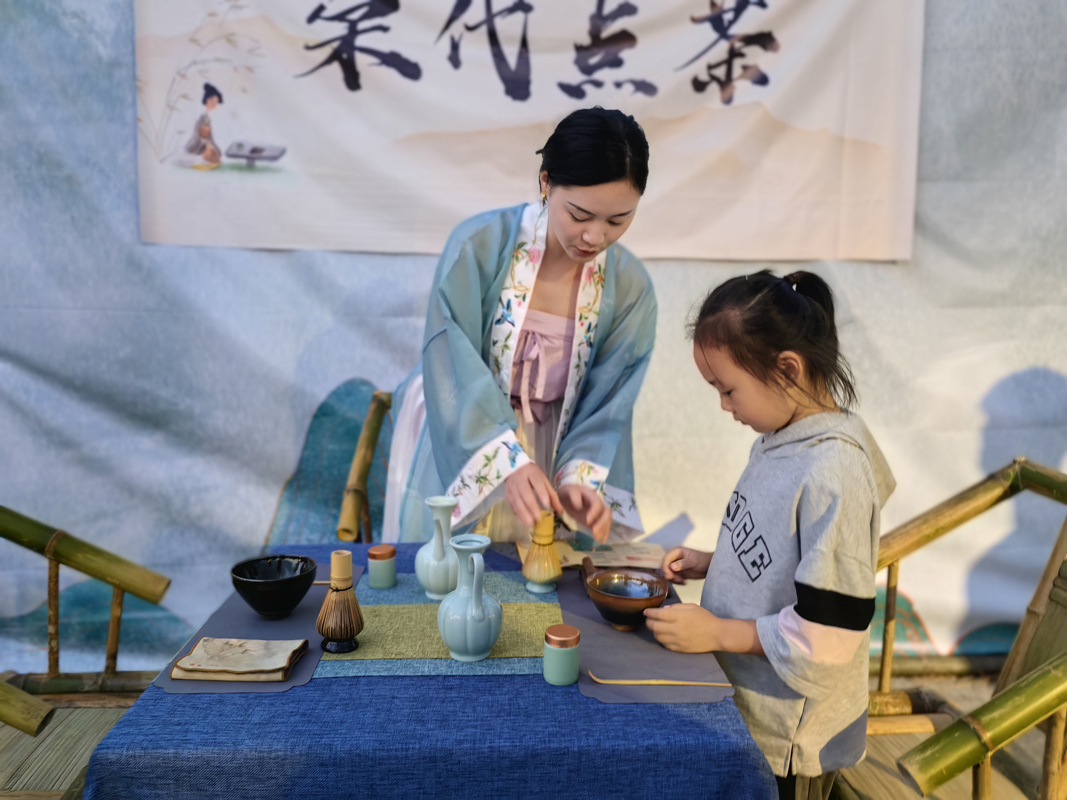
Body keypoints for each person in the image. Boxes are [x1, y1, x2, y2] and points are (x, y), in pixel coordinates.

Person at [644, 270, 895, 800]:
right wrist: (715, 560)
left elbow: (827, 634)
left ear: (786, 369)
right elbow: (788, 551)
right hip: (752, 707)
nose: (723, 405)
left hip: (792, 741)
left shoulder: (833, 471)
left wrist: (718, 633)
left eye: (728, 389)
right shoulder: (781, 438)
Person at [381, 107, 656, 546]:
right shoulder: (478, 246)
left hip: (556, 446)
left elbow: (609, 399)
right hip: (466, 434)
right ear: (546, 182)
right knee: (449, 571)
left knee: (547, 574)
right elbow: (451, 360)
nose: (595, 237)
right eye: (580, 215)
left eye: (617, 220)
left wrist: (580, 479)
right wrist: (504, 459)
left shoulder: (629, 287)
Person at [185, 83, 223, 166]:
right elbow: (198, 138)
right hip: (194, 150)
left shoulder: (208, 118)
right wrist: (207, 144)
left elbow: (210, 139)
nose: (214, 105)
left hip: (201, 150)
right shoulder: (200, 118)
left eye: (216, 102)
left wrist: (217, 151)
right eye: (213, 101)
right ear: (207, 100)